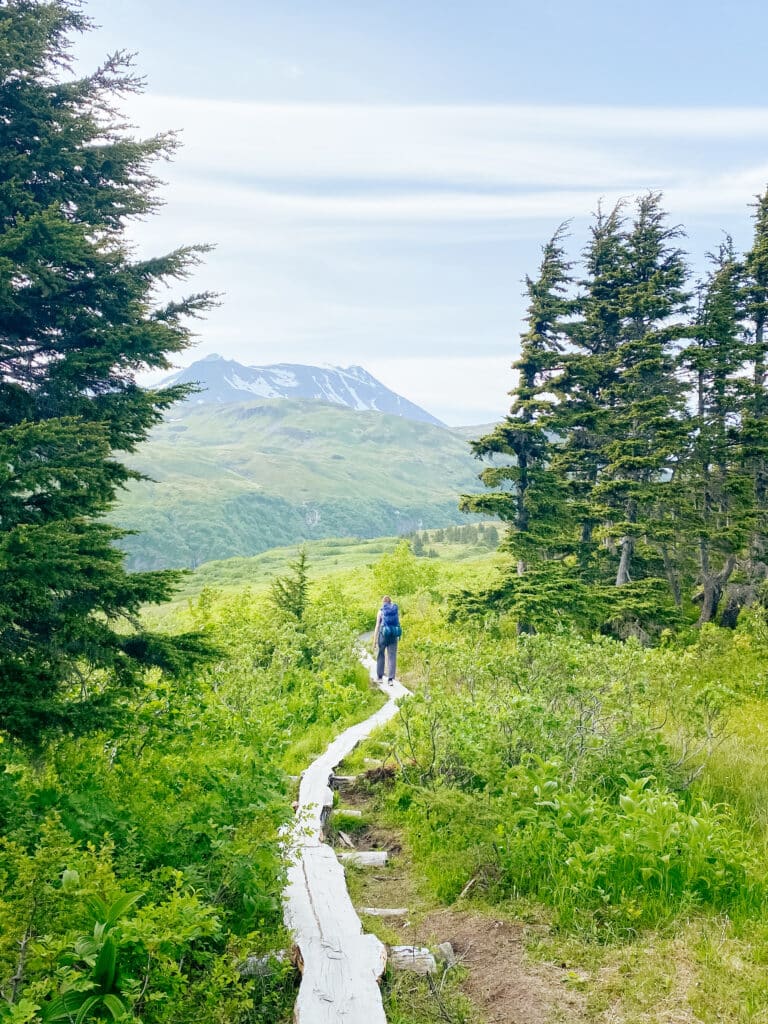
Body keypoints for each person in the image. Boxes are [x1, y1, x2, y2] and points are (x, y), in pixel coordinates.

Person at [373, 595, 401, 683]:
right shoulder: (395, 611)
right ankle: (390, 679)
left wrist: (374, 641)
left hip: (383, 636)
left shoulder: (381, 611)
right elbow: (398, 624)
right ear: (390, 602)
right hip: (393, 635)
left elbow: (377, 626)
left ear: (383, 602)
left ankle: (380, 677)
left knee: (381, 655)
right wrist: (399, 636)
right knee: (392, 656)